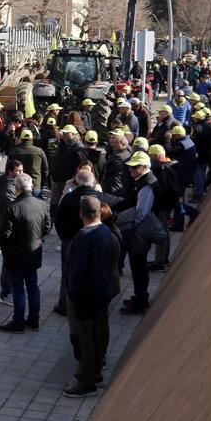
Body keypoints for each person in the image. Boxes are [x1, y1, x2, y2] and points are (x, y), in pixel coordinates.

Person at [63, 196, 121, 398]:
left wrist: (73, 294)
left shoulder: (83, 238)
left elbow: (76, 271)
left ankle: (86, 380)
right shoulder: (109, 233)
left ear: (81, 214)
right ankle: (96, 370)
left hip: (85, 296)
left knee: (86, 338)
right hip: (104, 293)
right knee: (99, 332)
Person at [0, 173, 51, 332]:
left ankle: (18, 321)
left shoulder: (13, 207)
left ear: (17, 188)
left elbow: (5, 235)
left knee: (18, 289)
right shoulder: (42, 204)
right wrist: (38, 238)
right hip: (34, 253)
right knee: (33, 287)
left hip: (16, 255)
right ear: (32, 186)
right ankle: (34, 320)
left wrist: (6, 248)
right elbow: (47, 227)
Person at [115, 151, 165, 315]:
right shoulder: (143, 181)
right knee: (138, 266)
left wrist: (130, 226)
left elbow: (141, 212)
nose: (130, 171)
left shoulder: (147, 184)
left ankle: (141, 300)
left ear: (144, 167)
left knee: (139, 266)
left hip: (139, 233)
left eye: (134, 168)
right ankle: (139, 297)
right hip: (139, 231)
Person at [53, 167, 105, 315]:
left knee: (67, 273)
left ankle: (64, 305)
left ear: (77, 180)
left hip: (70, 240)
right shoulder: (99, 198)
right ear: (93, 181)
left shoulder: (68, 198)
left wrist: (64, 237)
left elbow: (58, 220)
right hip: (94, 239)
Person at [0, 159, 24, 303]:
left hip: (12, 227)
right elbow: (16, 206)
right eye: (18, 171)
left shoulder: (13, 183)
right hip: (9, 229)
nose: (21, 173)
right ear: (10, 171)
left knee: (12, 261)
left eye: (22, 170)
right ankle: (6, 293)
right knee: (9, 261)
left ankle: (9, 290)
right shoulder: (7, 186)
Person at [147, 144, 177, 271]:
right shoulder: (169, 166)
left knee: (161, 232)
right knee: (165, 231)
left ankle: (159, 261)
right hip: (167, 204)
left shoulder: (160, 170)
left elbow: (162, 190)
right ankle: (163, 258)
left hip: (162, 206)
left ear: (155, 156)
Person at [50, 126, 87, 211]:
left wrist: (73, 179)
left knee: (66, 206)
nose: (63, 135)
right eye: (63, 133)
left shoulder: (78, 147)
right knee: (55, 205)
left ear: (73, 134)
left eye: (66, 133)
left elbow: (80, 165)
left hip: (69, 182)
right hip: (57, 180)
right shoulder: (62, 144)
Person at [101, 130, 133, 201]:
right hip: (121, 186)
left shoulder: (116, 157)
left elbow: (105, 172)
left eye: (116, 143)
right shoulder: (128, 153)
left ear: (123, 144)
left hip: (113, 188)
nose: (113, 144)